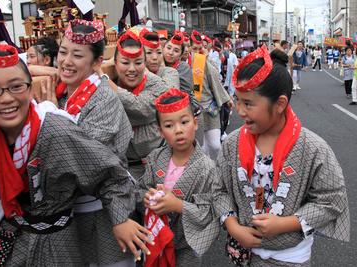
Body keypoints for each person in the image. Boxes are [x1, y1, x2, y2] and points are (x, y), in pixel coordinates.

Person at [0, 44, 152, 265]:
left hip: (56, 240)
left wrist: (120, 219)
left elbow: (109, 173)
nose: (6, 99)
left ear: (30, 89)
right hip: (11, 231)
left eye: (16, 87)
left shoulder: (54, 130)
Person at [216, 46, 349, 266]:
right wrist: (233, 226)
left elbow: (332, 198)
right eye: (237, 100)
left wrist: (286, 224)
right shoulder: (232, 143)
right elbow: (218, 188)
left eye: (248, 103)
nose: (239, 111)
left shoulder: (313, 148)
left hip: (290, 258)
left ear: (280, 104)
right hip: (244, 252)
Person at [38, 19, 145, 266]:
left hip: (103, 204)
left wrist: (52, 115)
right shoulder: (62, 91)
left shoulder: (103, 98)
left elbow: (82, 157)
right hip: (71, 208)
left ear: (97, 63)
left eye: (77, 55)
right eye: (63, 52)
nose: (66, 61)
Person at [139, 88, 222, 266]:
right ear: (160, 131)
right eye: (169, 126)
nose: (178, 130)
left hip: (186, 246)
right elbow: (142, 188)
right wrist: (146, 196)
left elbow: (210, 212)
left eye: (184, 122)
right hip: (156, 237)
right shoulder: (155, 158)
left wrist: (178, 205)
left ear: (195, 122)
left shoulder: (207, 168)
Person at [104, 31, 169, 179]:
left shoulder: (158, 84)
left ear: (144, 64)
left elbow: (140, 109)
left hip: (158, 165)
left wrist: (105, 81)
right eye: (125, 63)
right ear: (115, 63)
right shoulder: (107, 84)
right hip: (122, 170)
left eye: (138, 63)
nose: (132, 69)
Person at [189, 30, 232, 160]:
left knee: (215, 145)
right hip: (194, 109)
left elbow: (216, 81)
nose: (197, 51)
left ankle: (216, 166)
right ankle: (207, 169)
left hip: (210, 108)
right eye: (194, 48)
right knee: (200, 146)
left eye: (199, 48)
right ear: (189, 48)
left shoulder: (205, 61)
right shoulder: (184, 64)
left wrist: (226, 98)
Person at [163, 31, 194, 102]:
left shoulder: (183, 67)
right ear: (163, 48)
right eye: (168, 48)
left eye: (176, 51)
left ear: (180, 55)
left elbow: (184, 94)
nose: (170, 53)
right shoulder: (157, 63)